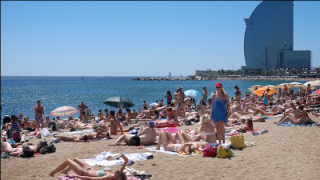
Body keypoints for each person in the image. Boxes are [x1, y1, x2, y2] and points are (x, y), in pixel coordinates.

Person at [49, 154, 128, 180]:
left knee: (67, 160)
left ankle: (52, 173)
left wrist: (78, 176)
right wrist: (124, 158)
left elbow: (91, 179)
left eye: (118, 172)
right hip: (89, 168)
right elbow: (126, 162)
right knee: (75, 159)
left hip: (82, 172)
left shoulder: (107, 177)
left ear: (117, 178)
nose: (117, 171)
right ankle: (66, 171)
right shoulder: (115, 174)